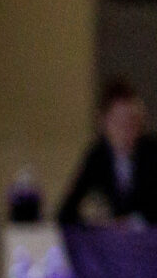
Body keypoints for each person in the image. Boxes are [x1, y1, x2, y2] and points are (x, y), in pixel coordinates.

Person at [56, 79, 157, 227]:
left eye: (132, 121)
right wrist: (96, 222)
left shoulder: (152, 152)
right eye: (118, 122)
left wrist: (132, 222)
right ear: (103, 122)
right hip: (110, 243)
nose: (126, 130)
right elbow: (66, 211)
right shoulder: (97, 157)